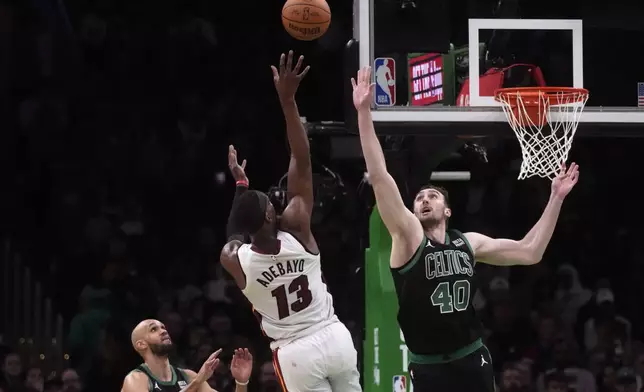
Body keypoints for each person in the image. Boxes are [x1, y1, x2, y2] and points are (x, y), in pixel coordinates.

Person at [351, 66, 579, 392]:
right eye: (419, 199)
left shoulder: (467, 244)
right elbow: (380, 175)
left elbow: (531, 251)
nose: (424, 200)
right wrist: (363, 113)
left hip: (472, 357)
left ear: (447, 210)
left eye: (432, 196)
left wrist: (556, 197)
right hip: (429, 366)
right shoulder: (408, 238)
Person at [220, 51, 361, 392]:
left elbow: (234, 234)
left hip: (296, 352)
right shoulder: (297, 224)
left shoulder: (235, 260)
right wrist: (287, 101)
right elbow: (301, 155)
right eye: (270, 200)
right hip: (333, 335)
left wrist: (241, 186)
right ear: (270, 214)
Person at [120, 319, 253, 392]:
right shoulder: (135, 379)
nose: (163, 331)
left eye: (163, 327)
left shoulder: (188, 376)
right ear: (141, 344)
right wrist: (196, 383)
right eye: (154, 329)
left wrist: (241, 382)